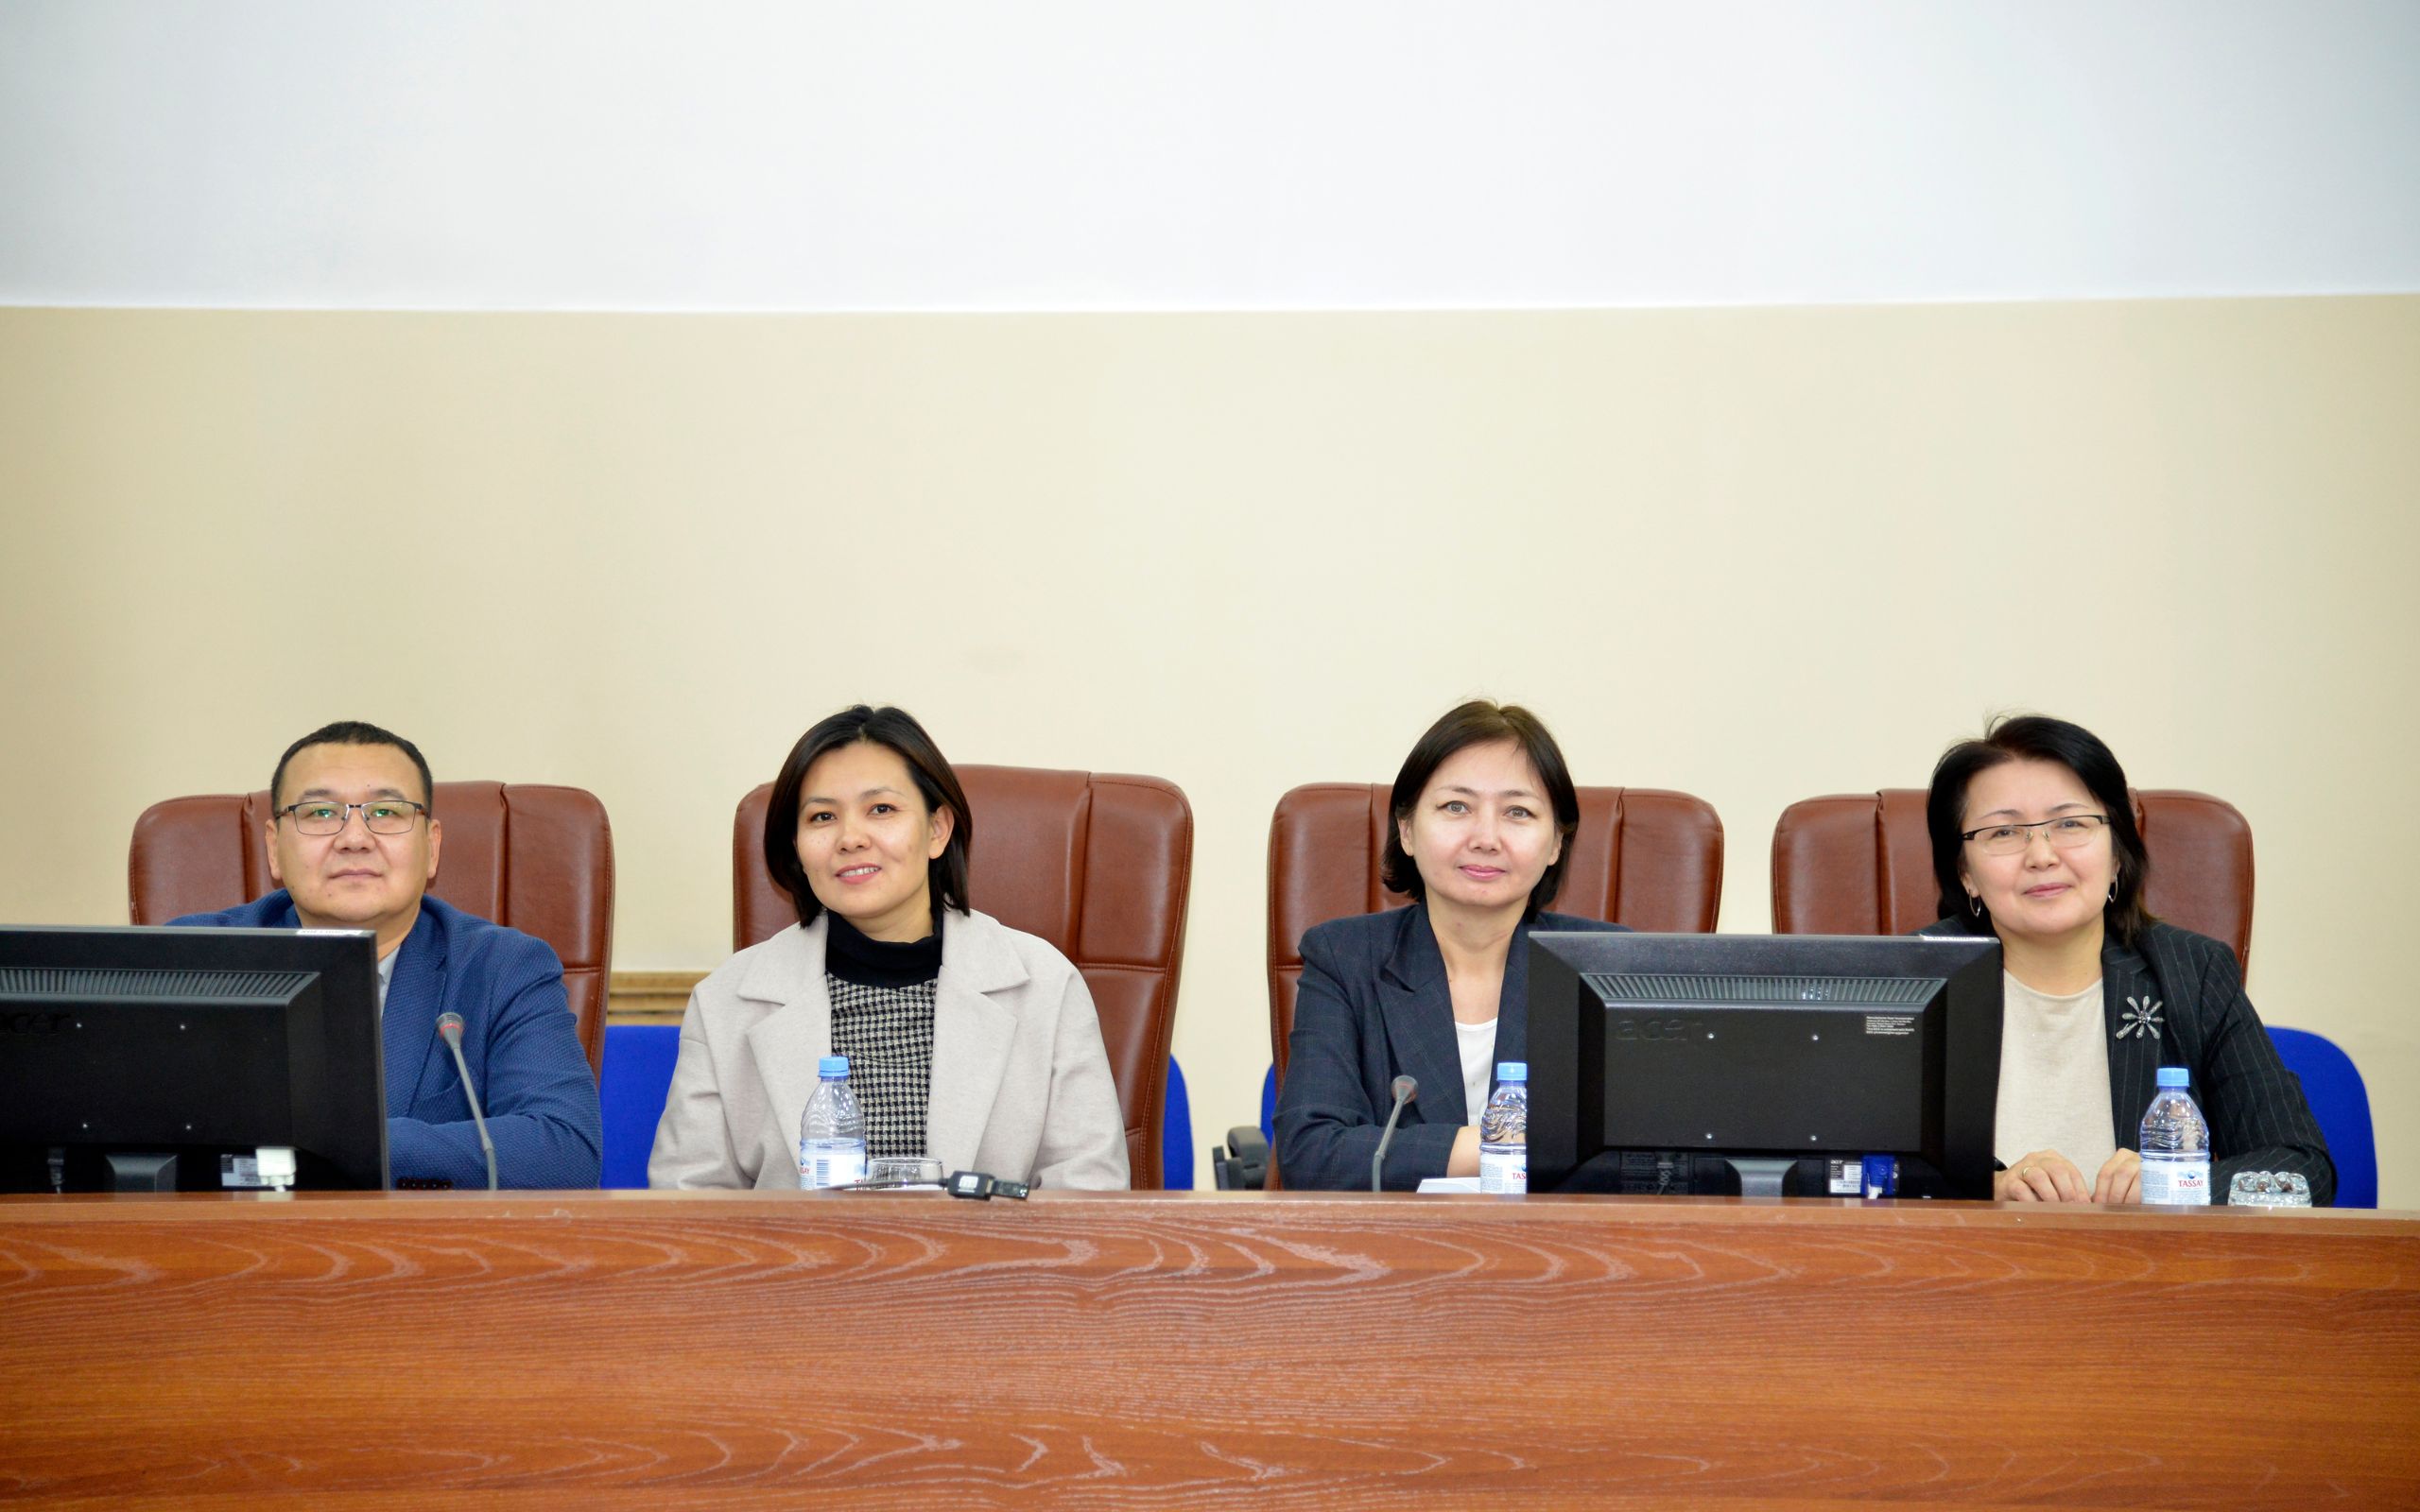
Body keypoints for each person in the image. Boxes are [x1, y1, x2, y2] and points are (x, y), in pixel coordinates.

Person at [648, 705, 1129, 1191]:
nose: (850, 838)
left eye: (881, 809)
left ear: (937, 829)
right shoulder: (725, 1002)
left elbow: (1088, 1196)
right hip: (791, 1247)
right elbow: (687, 1203)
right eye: (822, 817)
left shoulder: (1046, 987)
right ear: (796, 846)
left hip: (993, 1246)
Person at [171, 721, 602, 1188]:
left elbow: (564, 1153)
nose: (354, 838)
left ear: (431, 847)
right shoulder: (191, 960)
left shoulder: (503, 968)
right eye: (320, 813)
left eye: (386, 812)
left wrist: (333, 1148)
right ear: (274, 848)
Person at [1921, 714, 2332, 1204]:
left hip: (2146, 1254)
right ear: (1965, 872)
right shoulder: (1909, 980)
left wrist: (2177, 1186)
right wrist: (1983, 1190)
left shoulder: (2192, 973)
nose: (2042, 856)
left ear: (2117, 853)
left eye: (2070, 824)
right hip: (1960, 1253)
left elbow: (2302, 1170)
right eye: (2004, 832)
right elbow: (1840, 1168)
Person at [1274, 700, 1623, 1190]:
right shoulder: (1345, 959)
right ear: (1407, 830)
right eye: (1456, 807)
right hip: (1399, 1237)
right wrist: (1509, 1146)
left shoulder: (1610, 969)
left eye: (1518, 812)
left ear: (1555, 845)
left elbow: (1663, 1159)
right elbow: (1311, 1155)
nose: (1486, 838)